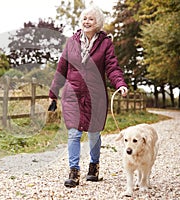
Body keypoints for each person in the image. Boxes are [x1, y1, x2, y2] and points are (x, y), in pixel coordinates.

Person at [48, 5, 128, 188]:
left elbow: (112, 67)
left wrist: (120, 84)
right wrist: (53, 92)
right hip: (73, 94)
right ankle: (74, 171)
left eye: (91, 19)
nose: (87, 22)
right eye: (84, 18)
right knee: (74, 134)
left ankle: (94, 167)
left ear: (98, 22)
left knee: (93, 134)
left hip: (95, 96)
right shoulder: (71, 42)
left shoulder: (105, 43)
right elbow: (61, 68)